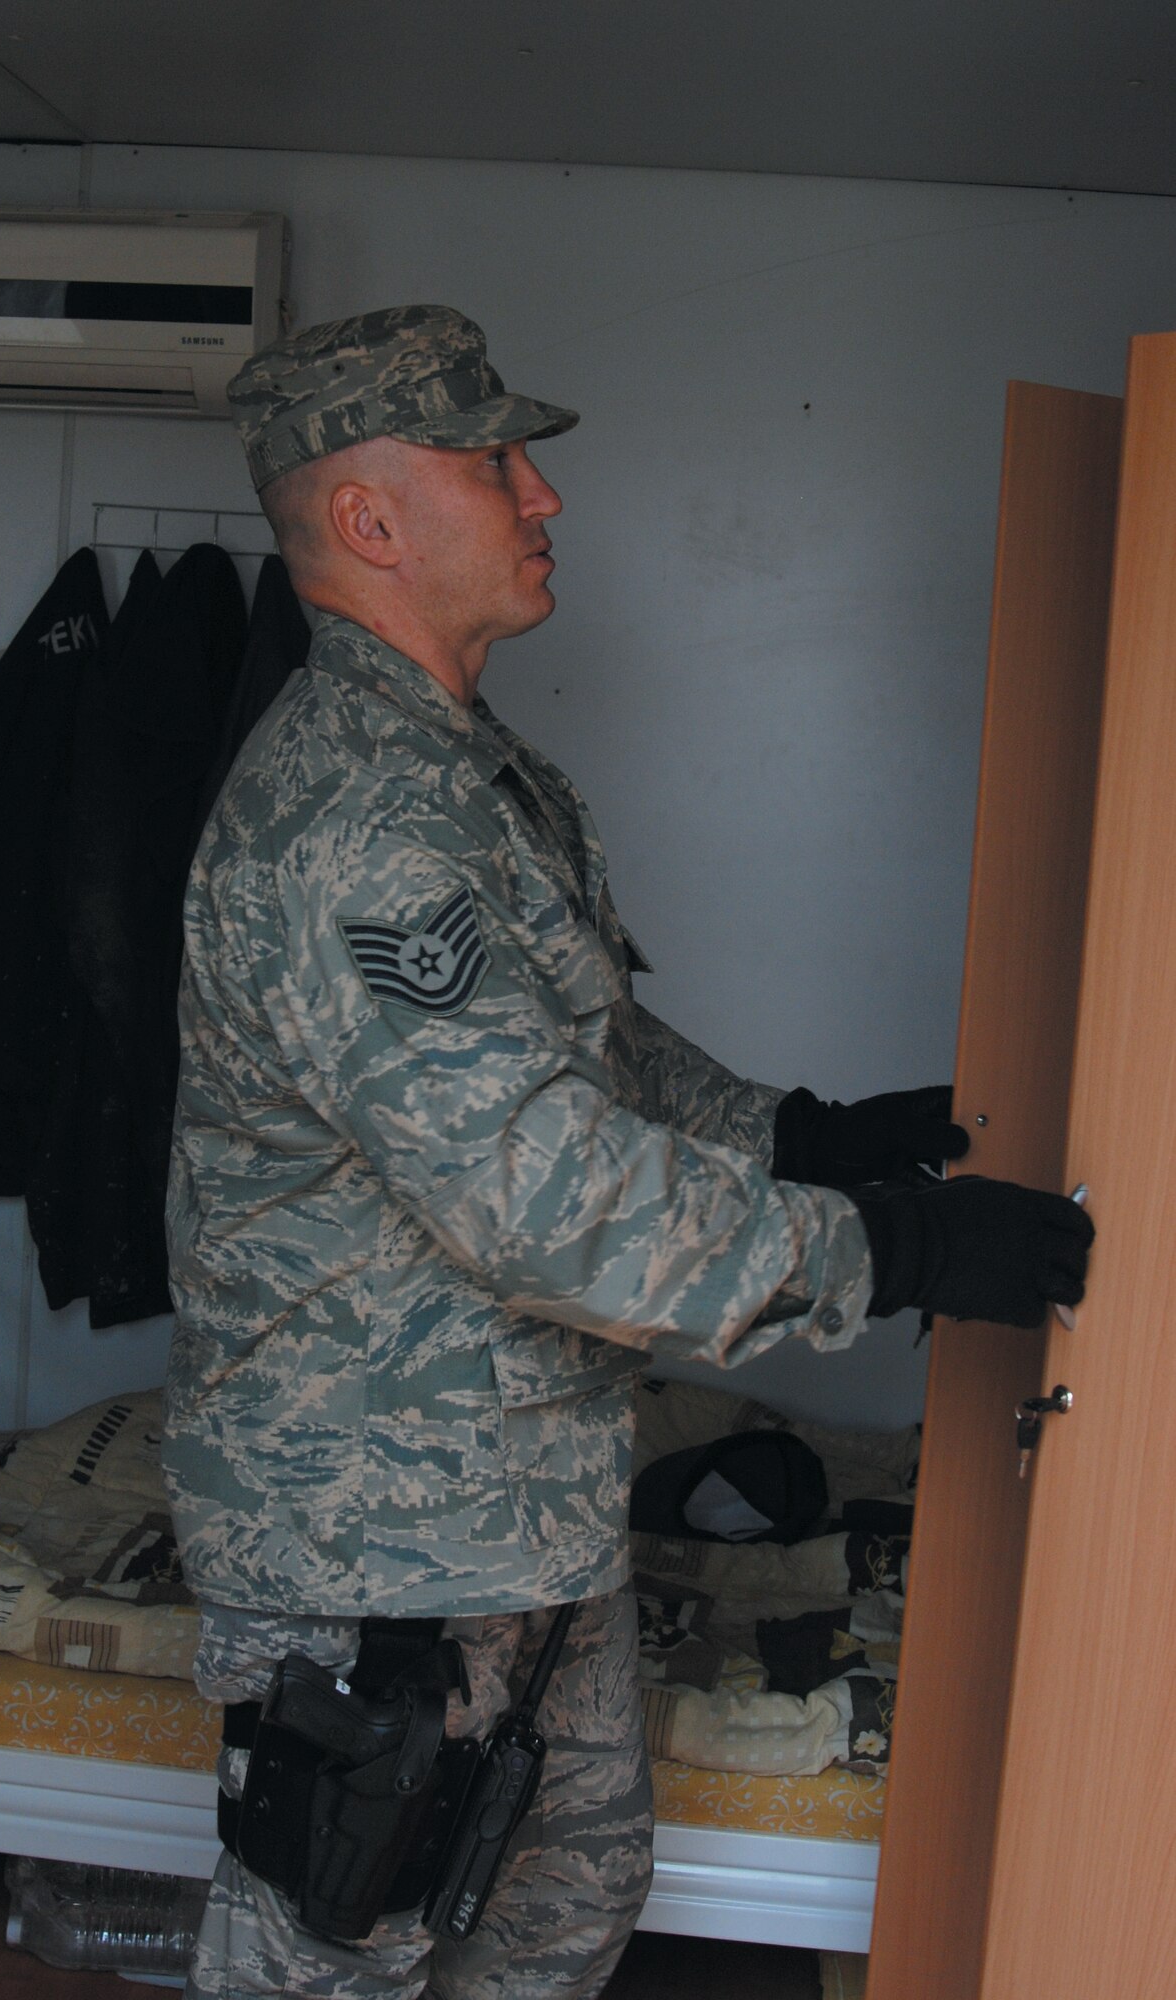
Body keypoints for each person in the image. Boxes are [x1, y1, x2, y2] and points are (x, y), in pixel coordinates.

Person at [162, 304, 1092, 2000]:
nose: (544, 496)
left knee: (563, 1902)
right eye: (494, 463)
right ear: (369, 520)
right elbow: (547, 1196)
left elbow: (594, 1057)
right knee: (338, 1953)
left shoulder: (468, 773)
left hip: (521, 1501)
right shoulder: (356, 821)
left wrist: (809, 1137)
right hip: (378, 1536)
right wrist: (892, 1250)